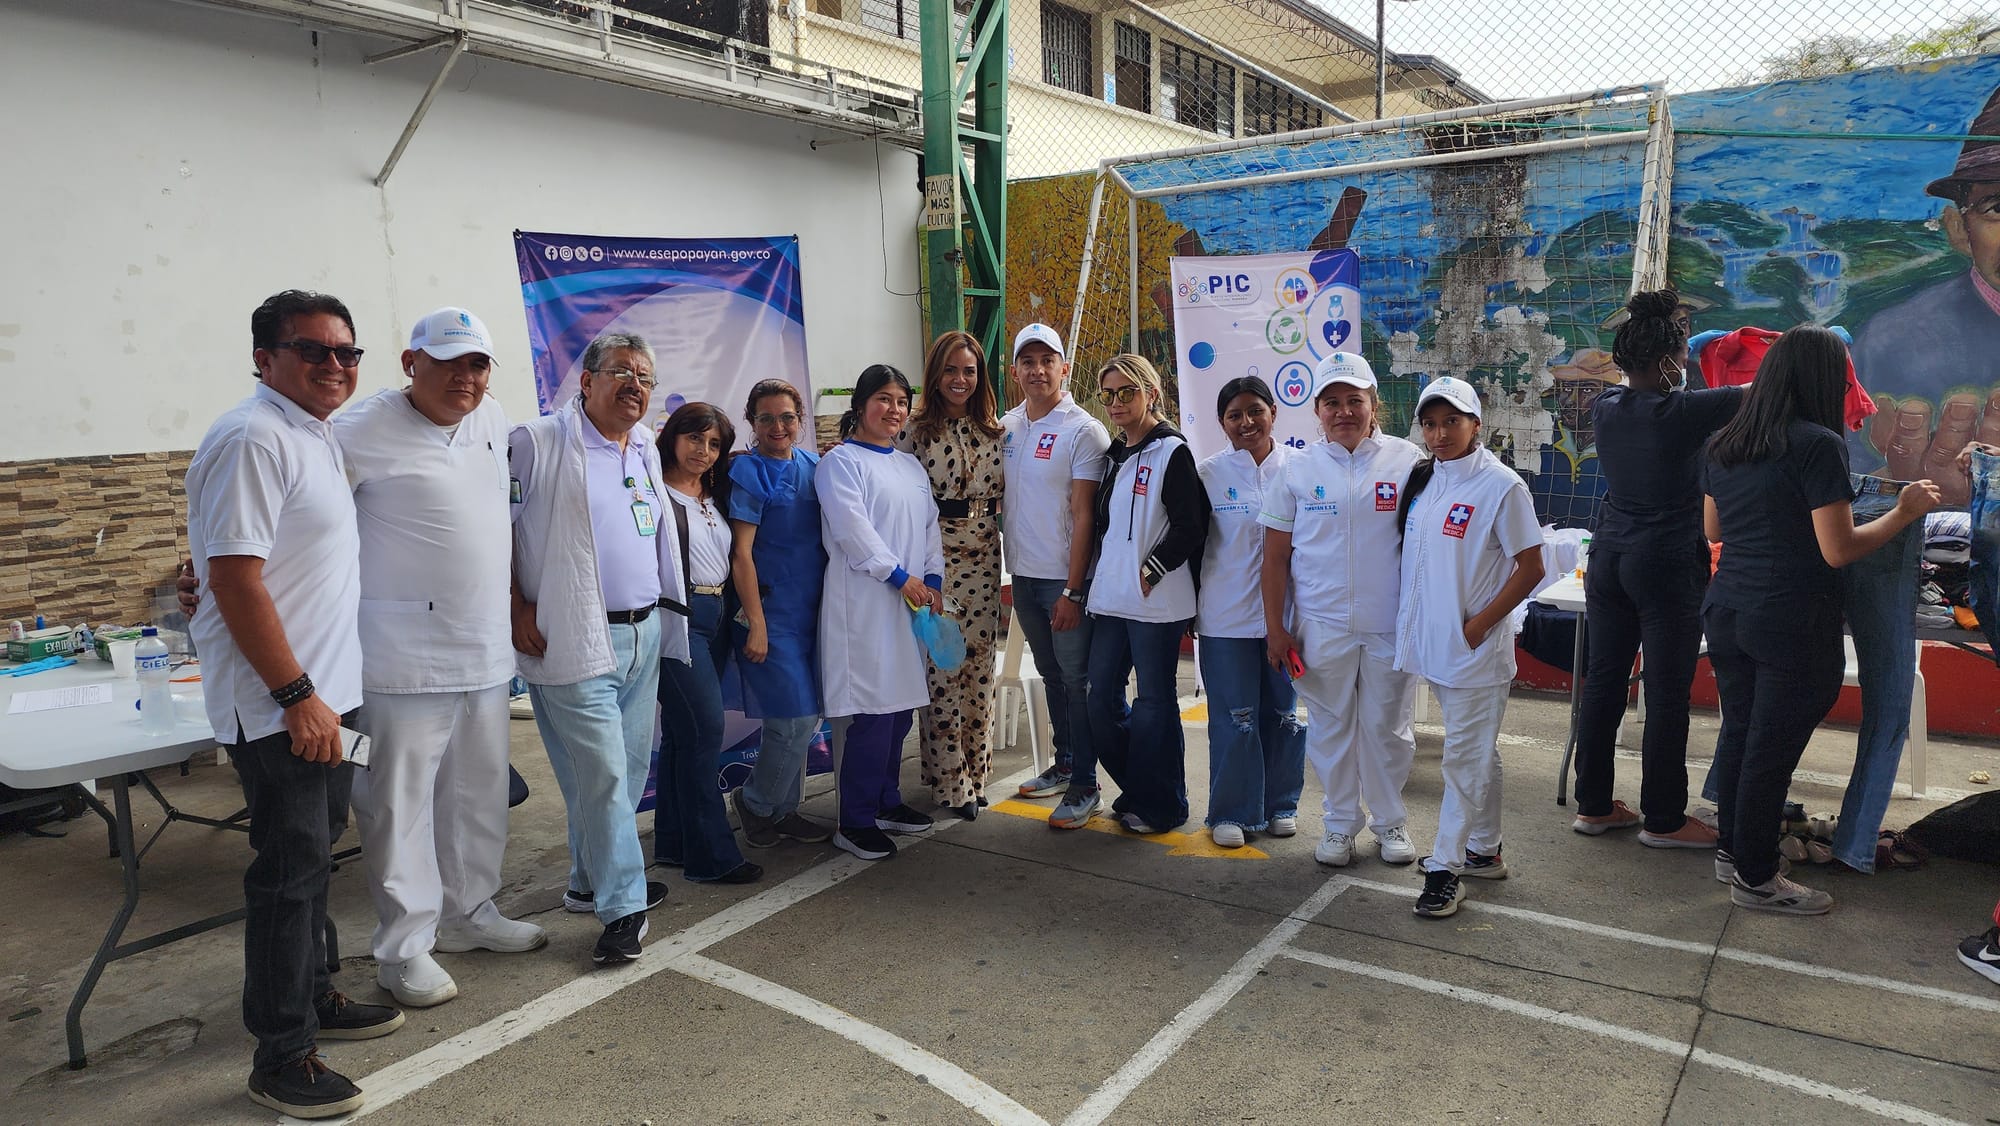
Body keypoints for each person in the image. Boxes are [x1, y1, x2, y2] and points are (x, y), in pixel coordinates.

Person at [184, 289, 398, 1118]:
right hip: (286, 707)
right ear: (264, 357)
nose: (336, 366)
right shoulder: (251, 436)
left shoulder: (311, 434)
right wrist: (298, 696)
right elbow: (236, 580)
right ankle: (281, 1053)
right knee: (287, 874)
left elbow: (237, 559)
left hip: (326, 698)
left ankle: (317, 999)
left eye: (348, 353)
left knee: (314, 861)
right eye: (314, 351)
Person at [339, 308, 547, 1008]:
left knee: (477, 793)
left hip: (484, 648)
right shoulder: (355, 432)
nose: (466, 377)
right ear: (410, 362)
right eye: (451, 361)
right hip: (401, 657)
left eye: (478, 364)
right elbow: (299, 524)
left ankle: (469, 915)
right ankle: (403, 950)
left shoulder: (493, 422)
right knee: (398, 806)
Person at [1700, 325, 1940, 915]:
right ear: (1825, 382)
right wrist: (1905, 512)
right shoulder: (1816, 445)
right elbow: (1839, 549)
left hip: (1729, 609)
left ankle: (1734, 851)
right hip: (1790, 618)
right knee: (1770, 750)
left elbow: (1714, 531)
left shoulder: (1724, 441)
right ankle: (1756, 877)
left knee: (1741, 735)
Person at [510, 332, 688, 964]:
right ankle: (624, 908)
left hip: (642, 633)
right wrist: (514, 605)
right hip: (572, 632)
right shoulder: (535, 443)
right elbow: (493, 530)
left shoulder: (641, 446)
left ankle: (590, 883)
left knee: (622, 771)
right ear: (585, 382)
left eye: (645, 375)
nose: (635, 384)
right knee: (606, 774)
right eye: (621, 372)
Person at [1570, 290, 1744, 850]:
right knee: (1667, 694)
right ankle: (1665, 819)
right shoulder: (1683, 410)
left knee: (1603, 681)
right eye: (1681, 356)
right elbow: (1758, 389)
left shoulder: (1605, 407)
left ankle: (1594, 806)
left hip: (1610, 559)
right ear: (1671, 361)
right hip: (1666, 563)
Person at [1260, 353, 1424, 867]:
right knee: (1330, 731)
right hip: (1320, 626)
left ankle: (1390, 822)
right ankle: (1337, 826)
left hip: (1389, 624)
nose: (1344, 411)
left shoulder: (1409, 462)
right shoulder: (1296, 469)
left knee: (1387, 728)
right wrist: (1276, 629)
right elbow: (1275, 556)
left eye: (1355, 400)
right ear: (1317, 410)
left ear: (1374, 404)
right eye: (1332, 402)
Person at [1395, 376, 1546, 919]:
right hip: (1436, 643)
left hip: (1474, 648)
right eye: (1430, 423)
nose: (1439, 433)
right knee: (1477, 751)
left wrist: (1480, 624)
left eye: (1451, 421)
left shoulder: (1501, 487)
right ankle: (1484, 850)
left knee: (1463, 757)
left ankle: (1445, 867)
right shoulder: (1427, 481)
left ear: (1476, 424)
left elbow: (1532, 566)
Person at [1070, 354, 1209, 834]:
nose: (1115, 402)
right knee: (1100, 697)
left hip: (1156, 600)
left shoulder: (1172, 451)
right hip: (1111, 599)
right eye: (1108, 394)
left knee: (1154, 701)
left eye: (1126, 392)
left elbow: (1192, 524)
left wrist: (1153, 568)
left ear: (1151, 393)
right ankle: (1142, 787)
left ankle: (1163, 805)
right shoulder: (1114, 454)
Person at [816, 364, 946, 861]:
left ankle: (888, 802)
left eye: (901, 402)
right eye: (884, 399)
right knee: (872, 714)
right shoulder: (841, 464)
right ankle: (854, 820)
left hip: (911, 605)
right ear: (861, 404)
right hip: (866, 606)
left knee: (900, 712)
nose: (893, 410)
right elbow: (854, 533)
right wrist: (899, 577)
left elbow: (930, 527)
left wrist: (930, 578)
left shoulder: (910, 466)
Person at [1849, 84, 2000, 506]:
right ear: (1958, 229)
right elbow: (1847, 483)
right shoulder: (1891, 341)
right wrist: (1901, 489)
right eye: (1997, 206)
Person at [1001, 324, 1111, 801]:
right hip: (1023, 577)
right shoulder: (1005, 426)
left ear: (1064, 368)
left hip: (1064, 582)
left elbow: (1085, 515)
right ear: (1015, 371)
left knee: (1077, 681)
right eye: (1028, 361)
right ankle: (1065, 763)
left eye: (1048, 361)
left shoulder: (1083, 430)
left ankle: (1086, 785)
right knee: (1052, 678)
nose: (1038, 370)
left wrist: (1073, 589)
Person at [653, 403, 762, 884]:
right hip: (678, 619)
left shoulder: (714, 494)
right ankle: (712, 857)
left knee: (682, 736)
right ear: (673, 437)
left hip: (717, 617)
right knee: (702, 734)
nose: (704, 451)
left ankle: (675, 843)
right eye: (694, 438)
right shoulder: (654, 491)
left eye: (714, 443)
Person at [1195, 375, 1306, 849]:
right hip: (1225, 619)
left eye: (1255, 411)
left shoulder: (1300, 468)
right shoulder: (1207, 474)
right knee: (1235, 717)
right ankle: (1232, 812)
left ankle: (1281, 804)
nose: (1246, 422)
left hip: (1286, 620)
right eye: (1234, 415)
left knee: (1283, 714)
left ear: (1273, 413)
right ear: (1222, 422)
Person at [899, 331, 1006, 820]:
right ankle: (948, 781)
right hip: (936, 557)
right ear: (935, 375)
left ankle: (975, 773)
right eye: (950, 370)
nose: (959, 380)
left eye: (969, 370)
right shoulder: (914, 431)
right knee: (943, 665)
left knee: (979, 667)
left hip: (986, 554)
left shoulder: (996, 430)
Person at [727, 379, 835, 847]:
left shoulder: (816, 467)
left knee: (804, 718)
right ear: (751, 422)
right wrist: (756, 622)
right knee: (792, 718)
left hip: (815, 613)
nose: (778, 426)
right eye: (766, 417)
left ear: (801, 419)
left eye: (787, 416)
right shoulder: (749, 472)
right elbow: (742, 555)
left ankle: (783, 809)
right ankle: (753, 802)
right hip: (771, 615)